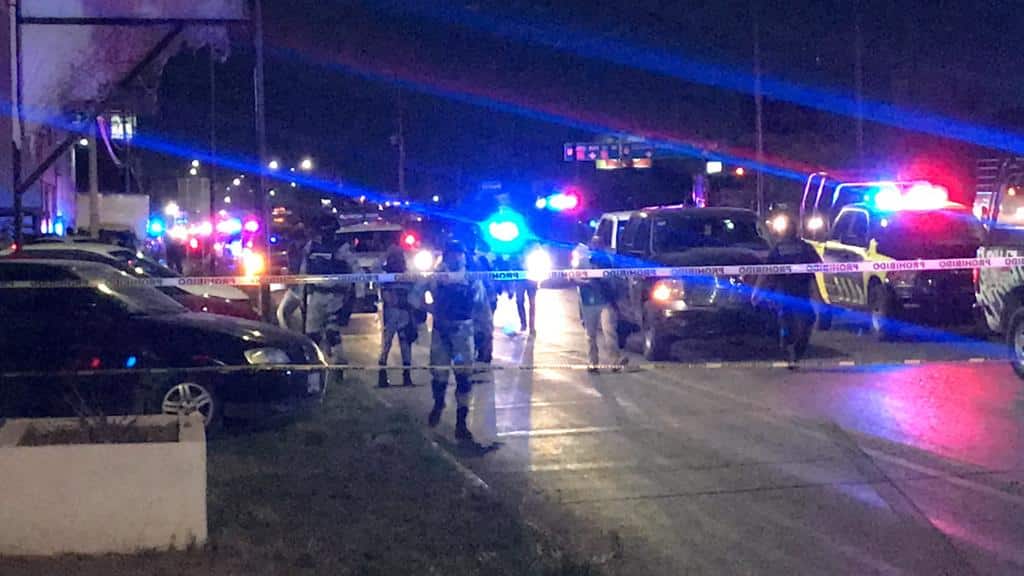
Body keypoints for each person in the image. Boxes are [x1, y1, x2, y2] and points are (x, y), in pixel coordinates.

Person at [411, 239, 485, 442]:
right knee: (439, 374)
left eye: (459, 254)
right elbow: (414, 296)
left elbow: (481, 304)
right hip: (442, 334)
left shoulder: (470, 278)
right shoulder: (435, 277)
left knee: (463, 377)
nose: (457, 257)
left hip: (463, 334)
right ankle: (438, 404)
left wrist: (483, 331)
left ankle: (461, 423)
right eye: (453, 253)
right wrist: (429, 308)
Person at [751, 224, 822, 364]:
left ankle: (788, 346)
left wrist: (756, 292)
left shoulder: (778, 249)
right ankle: (795, 351)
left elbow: (766, 273)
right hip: (802, 289)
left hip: (784, 289)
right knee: (807, 320)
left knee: (788, 320)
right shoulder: (805, 247)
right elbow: (819, 265)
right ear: (796, 232)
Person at [304, 230, 355, 365]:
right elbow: (305, 270)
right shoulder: (311, 246)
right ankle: (314, 366)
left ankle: (339, 363)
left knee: (332, 332)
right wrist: (303, 292)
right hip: (316, 295)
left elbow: (355, 269)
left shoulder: (342, 247)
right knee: (312, 335)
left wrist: (357, 295)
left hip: (335, 296)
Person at [576, 247, 628, 372]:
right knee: (590, 334)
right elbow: (573, 278)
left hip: (605, 301)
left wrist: (615, 298)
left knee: (609, 330)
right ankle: (592, 363)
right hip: (589, 302)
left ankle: (615, 361)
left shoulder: (607, 261)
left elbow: (614, 280)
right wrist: (587, 282)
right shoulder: (582, 261)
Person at [377, 245, 415, 387]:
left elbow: (415, 292)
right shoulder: (385, 276)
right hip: (391, 313)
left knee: (405, 344)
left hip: (404, 313)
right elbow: (375, 268)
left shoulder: (408, 275)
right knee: (386, 344)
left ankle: (406, 376)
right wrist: (385, 254)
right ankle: (382, 375)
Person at [276, 225, 310, 332]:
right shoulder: (292, 249)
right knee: (282, 313)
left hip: (308, 288)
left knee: (308, 317)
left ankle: (305, 337)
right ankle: (288, 336)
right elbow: (292, 267)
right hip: (295, 288)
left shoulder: (309, 249)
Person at [469, 250, 497, 363]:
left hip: (486, 300)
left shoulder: (478, 262)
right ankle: (483, 353)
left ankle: (484, 354)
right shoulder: (479, 261)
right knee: (483, 328)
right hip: (484, 300)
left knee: (484, 328)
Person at [508, 251, 538, 334]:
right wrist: (510, 287)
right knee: (520, 302)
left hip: (531, 280)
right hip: (520, 281)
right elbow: (511, 269)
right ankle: (523, 324)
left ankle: (532, 327)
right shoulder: (515, 253)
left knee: (532, 304)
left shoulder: (533, 251)